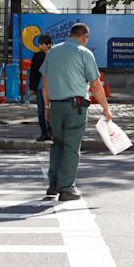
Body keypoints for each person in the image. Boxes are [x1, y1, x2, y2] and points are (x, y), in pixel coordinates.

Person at [40, 24, 111, 201]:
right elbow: (95, 85)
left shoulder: (53, 52)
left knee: (57, 144)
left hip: (55, 106)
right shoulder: (84, 53)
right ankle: (67, 188)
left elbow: (45, 82)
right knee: (71, 147)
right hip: (76, 107)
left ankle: (54, 183)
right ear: (84, 37)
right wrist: (105, 108)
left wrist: (47, 106)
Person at [29, 35, 53, 141]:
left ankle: (51, 131)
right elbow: (33, 71)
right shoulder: (37, 55)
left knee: (52, 110)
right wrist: (32, 86)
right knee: (41, 110)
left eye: (41, 44)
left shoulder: (55, 54)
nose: (39, 46)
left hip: (53, 87)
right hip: (40, 87)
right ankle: (44, 132)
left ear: (48, 45)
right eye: (39, 43)